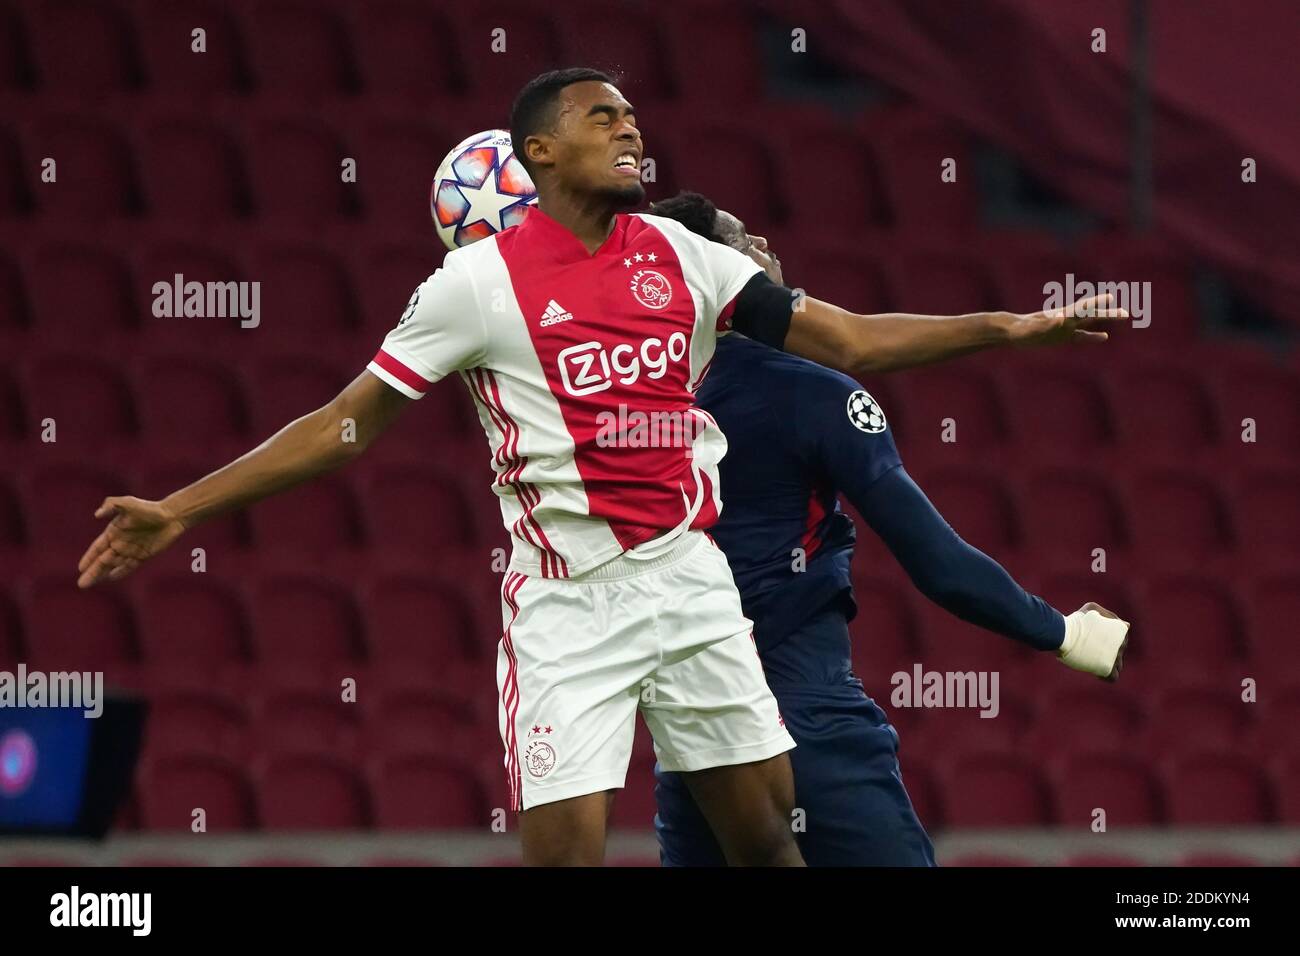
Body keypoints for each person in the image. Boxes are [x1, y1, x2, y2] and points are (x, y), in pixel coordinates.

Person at [75, 69, 1127, 866]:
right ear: (537, 154)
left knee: (765, 837)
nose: (630, 128)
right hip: (569, 602)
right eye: (601, 117)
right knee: (566, 853)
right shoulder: (474, 286)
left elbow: (848, 339)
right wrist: (182, 507)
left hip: (690, 579)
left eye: (632, 114)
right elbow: (345, 424)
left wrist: (1011, 324)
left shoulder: (681, 256)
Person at [647, 190, 1131, 865]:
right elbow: (939, 564)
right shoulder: (814, 394)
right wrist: (1070, 633)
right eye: (746, 239)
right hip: (802, 720)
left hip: (691, 741)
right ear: (716, 276)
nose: (768, 248)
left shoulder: (630, 413)